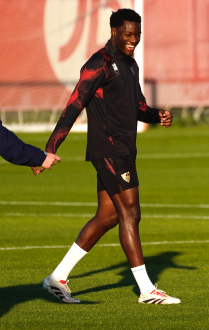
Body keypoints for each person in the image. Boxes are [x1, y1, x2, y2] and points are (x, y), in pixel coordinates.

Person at [37, 8, 179, 304]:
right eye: (128, 34)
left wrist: (157, 115)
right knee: (131, 213)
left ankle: (57, 278)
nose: (134, 40)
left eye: (137, 35)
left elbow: (138, 107)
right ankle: (146, 290)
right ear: (114, 31)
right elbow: (74, 105)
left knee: (108, 215)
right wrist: (52, 146)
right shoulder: (98, 64)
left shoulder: (130, 65)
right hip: (110, 149)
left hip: (124, 149)